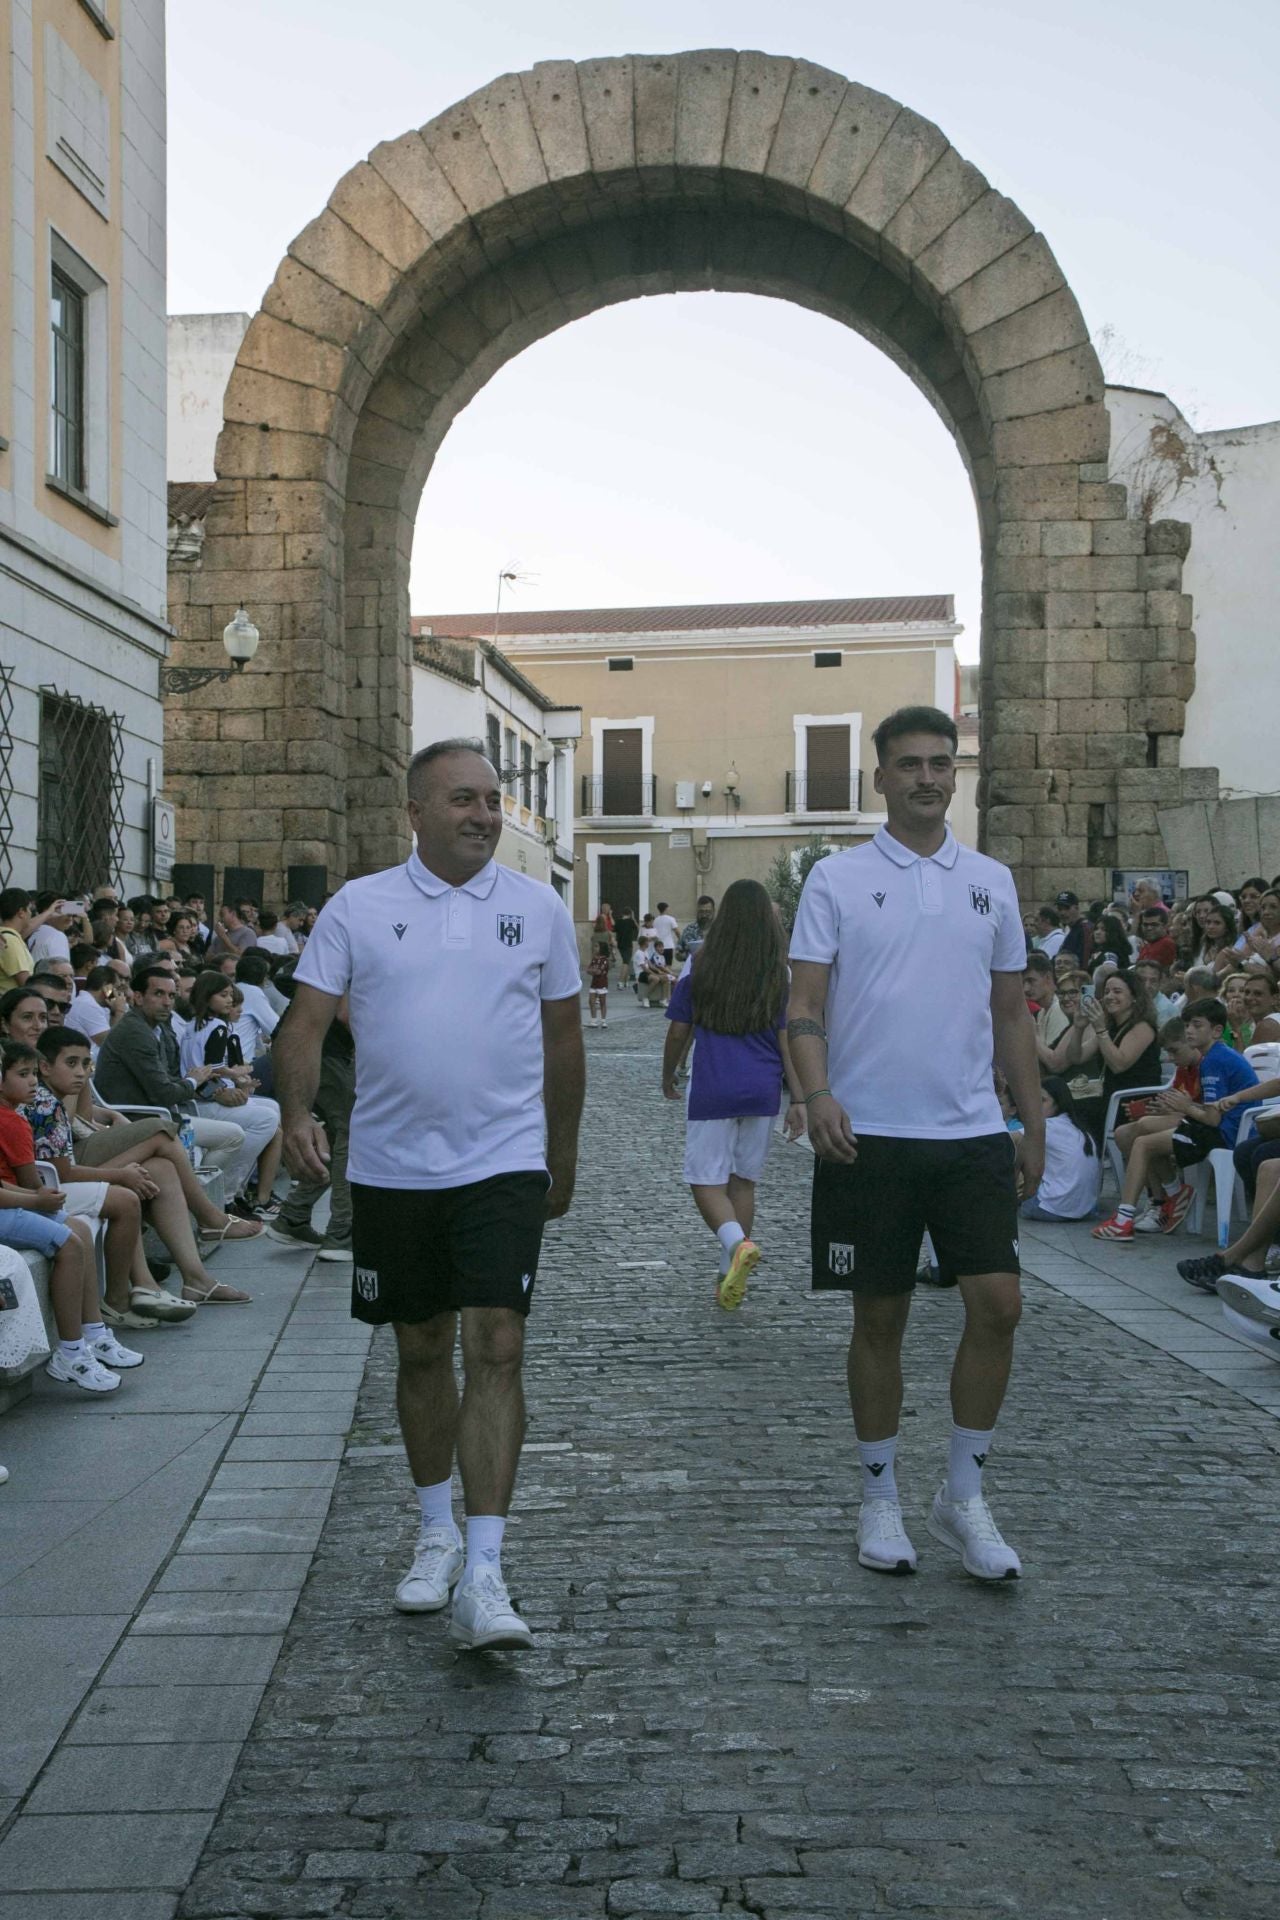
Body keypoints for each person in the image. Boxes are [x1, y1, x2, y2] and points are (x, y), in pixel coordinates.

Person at [276, 736, 584, 1651]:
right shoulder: (359, 908)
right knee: (419, 1349)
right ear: (414, 814)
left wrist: (560, 1154)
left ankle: (486, 1569)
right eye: (463, 800)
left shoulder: (538, 909)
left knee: (496, 1342)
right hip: (395, 1168)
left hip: (503, 1160)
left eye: (492, 800)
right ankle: (435, 1532)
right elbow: (305, 1023)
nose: (485, 815)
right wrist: (296, 1111)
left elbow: (563, 1043)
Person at [787, 705, 1041, 1584]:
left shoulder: (993, 881)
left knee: (999, 1305)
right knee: (879, 1320)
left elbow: (1011, 1013)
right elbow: (805, 1006)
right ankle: (880, 1494)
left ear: (954, 774)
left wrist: (1030, 1121)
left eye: (942, 763)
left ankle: (963, 1495)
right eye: (910, 764)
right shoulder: (837, 879)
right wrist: (815, 1091)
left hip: (970, 1130)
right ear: (881, 778)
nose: (928, 777)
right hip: (871, 1136)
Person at [661, 878, 805, 1308]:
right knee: (743, 1183)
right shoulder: (781, 973)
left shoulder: (701, 963)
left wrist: (668, 1074)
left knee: (705, 1182)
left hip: (713, 1087)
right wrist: (799, 1098)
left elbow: (679, 1029)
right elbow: (787, 1039)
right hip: (762, 1091)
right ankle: (728, 1277)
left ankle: (737, 1245)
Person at [25, 1028, 195, 1324]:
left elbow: (81, 1125)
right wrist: (120, 1175)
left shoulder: (53, 1098)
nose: (81, 1073)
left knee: (149, 1174)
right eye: (72, 1064)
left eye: (86, 1065)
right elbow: (62, 1172)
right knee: (125, 1200)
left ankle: (137, 1290)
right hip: (45, 1189)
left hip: (52, 1183)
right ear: (45, 1066)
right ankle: (117, 1302)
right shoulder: (44, 1104)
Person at [0, 1041, 140, 1390]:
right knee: (68, 1242)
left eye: (34, 1073)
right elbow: (28, 1184)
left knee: (78, 1228)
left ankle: (93, 1332)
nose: (33, 1082)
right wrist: (36, 1199)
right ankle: (71, 1351)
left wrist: (34, 1197)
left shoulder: (15, 1117)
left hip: (14, 1202)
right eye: (23, 1074)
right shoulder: (13, 1123)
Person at [1093, 998, 1259, 1241]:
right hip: (1218, 1127)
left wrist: (1184, 1107)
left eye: (1197, 1025)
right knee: (1138, 1131)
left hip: (1227, 1133)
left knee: (1142, 1143)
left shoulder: (1215, 1060)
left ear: (1215, 1031)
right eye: (1188, 1025)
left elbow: (1212, 1119)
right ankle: (1170, 1196)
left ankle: (1124, 1219)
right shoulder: (1213, 1056)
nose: (1190, 1030)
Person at [94, 961, 249, 1192]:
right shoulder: (135, 1032)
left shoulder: (159, 1028)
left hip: (163, 1112)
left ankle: (202, 1203)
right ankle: (199, 1199)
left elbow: (172, 1078)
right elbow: (165, 1092)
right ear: (137, 997)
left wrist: (202, 1085)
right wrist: (195, 1081)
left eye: (171, 995)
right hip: (139, 1119)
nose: (167, 1002)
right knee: (233, 1136)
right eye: (158, 994)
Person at [267, 967, 354, 1262]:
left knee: (334, 1133)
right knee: (350, 1133)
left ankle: (293, 1216)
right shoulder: (353, 948)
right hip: (318, 1051)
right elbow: (345, 1014)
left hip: (313, 1048)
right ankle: (341, 1234)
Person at [180, 972, 283, 1214]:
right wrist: (236, 1073)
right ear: (207, 997)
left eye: (230, 996)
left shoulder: (192, 1025)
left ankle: (239, 1189)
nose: (229, 1001)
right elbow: (212, 1067)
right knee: (267, 1118)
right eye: (223, 995)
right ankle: (229, 1192)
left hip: (198, 1095)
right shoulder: (217, 1026)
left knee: (272, 1109)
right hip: (202, 1097)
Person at [1056, 969, 1162, 1146]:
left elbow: (1118, 1064)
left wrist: (1100, 1029)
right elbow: (1076, 1057)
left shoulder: (1142, 1027)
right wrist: (1079, 1027)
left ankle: (1091, 1159)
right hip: (1110, 1096)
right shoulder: (1110, 1027)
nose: (1110, 996)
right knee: (1062, 1100)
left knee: (1074, 1110)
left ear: (1134, 997)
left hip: (1133, 1102)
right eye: (1106, 992)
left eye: (1117, 992)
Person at [1016, 1076, 1097, 1222]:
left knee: (1018, 1146)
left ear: (1058, 1104)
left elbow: (1011, 1139)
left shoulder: (1051, 1126)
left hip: (1054, 1208)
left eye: (1042, 1101)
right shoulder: (1078, 1128)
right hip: (1085, 1209)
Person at [1024, 951, 1070, 1074]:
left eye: (1031, 981)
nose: (1026, 989)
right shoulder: (1041, 1012)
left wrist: (1031, 1034)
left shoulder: (1059, 1009)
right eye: (1023, 983)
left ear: (1048, 978)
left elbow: (1052, 1064)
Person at [0, 890, 37, 988]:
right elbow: (25, 982)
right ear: (21, 912)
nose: (31, 913)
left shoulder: (10, 937)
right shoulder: (10, 940)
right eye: (29, 909)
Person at [1053, 891, 1091, 967]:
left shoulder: (1084, 929)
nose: (1062, 913)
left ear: (1077, 908)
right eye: (1060, 909)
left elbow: (1084, 961)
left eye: (1067, 908)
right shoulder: (1070, 930)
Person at [678, 895, 717, 963]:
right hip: (694, 971)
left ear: (713, 911)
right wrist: (681, 956)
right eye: (701, 912)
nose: (704, 915)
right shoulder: (689, 930)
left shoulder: (720, 930)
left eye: (707, 912)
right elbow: (678, 953)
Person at [586, 938, 611, 1029]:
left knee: (602, 1001)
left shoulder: (604, 960)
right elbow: (588, 970)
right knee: (591, 1001)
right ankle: (593, 1020)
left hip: (602, 983)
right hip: (594, 983)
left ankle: (603, 1020)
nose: (595, 948)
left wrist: (593, 970)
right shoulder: (594, 959)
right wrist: (593, 970)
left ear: (602, 948)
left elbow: (599, 972)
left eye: (597, 946)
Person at [652, 901, 680, 970]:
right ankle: (668, 979)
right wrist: (680, 940)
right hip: (668, 945)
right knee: (668, 965)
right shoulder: (671, 919)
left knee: (659, 965)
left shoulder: (655, 920)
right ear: (666, 909)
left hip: (658, 946)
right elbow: (677, 931)